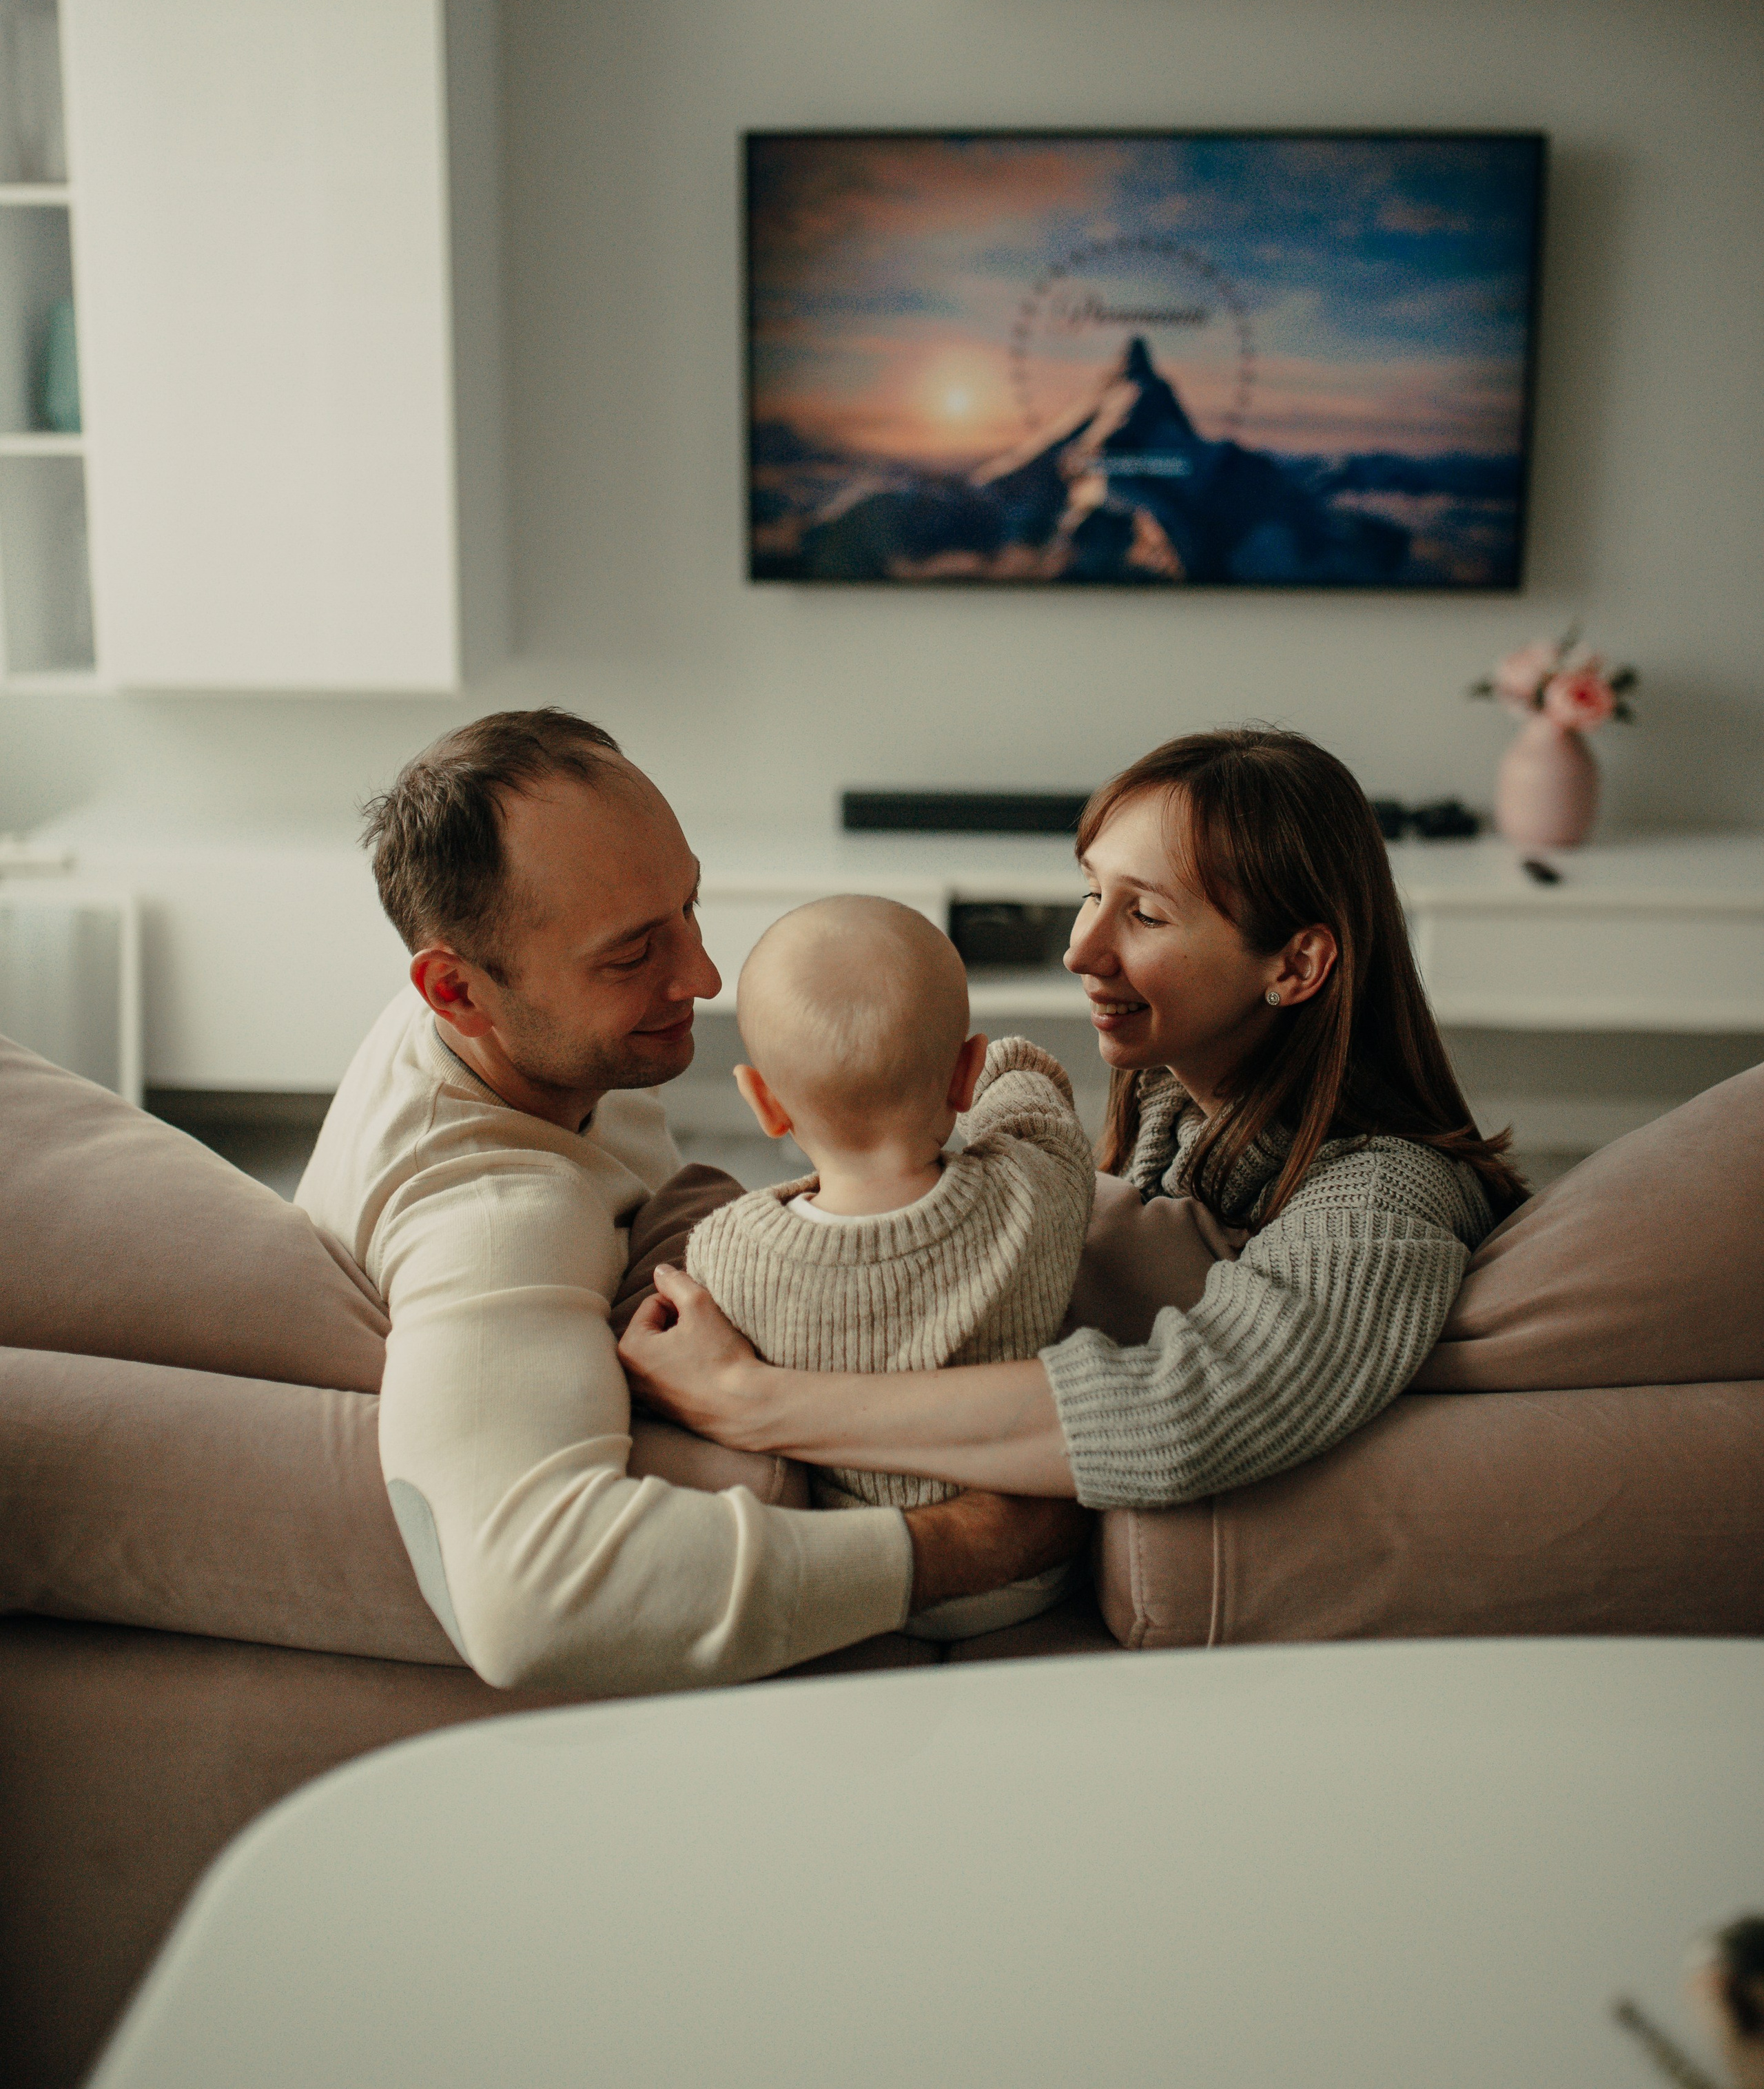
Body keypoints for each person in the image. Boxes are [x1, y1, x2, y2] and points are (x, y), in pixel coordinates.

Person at [296, 709, 1081, 1696]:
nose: (704, 978)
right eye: (631, 957)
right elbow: (531, 1603)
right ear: (455, 989)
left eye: (692, 906)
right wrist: (966, 1541)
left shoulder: (511, 1023)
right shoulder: (492, 1222)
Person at [619, 727, 1528, 1516]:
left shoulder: (1387, 1197)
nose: (1079, 950)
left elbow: (1183, 1410)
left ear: (1296, 963)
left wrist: (755, 1400)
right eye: (1093, 892)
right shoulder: (1176, 1115)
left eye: (1145, 913)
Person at [681, 894, 1094, 1634]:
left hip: (871, 1574)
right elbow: (1034, 1090)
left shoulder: (725, 1248)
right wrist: (984, 1062)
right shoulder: (1037, 1189)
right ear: (962, 1077)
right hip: (1032, 1572)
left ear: (763, 1103)